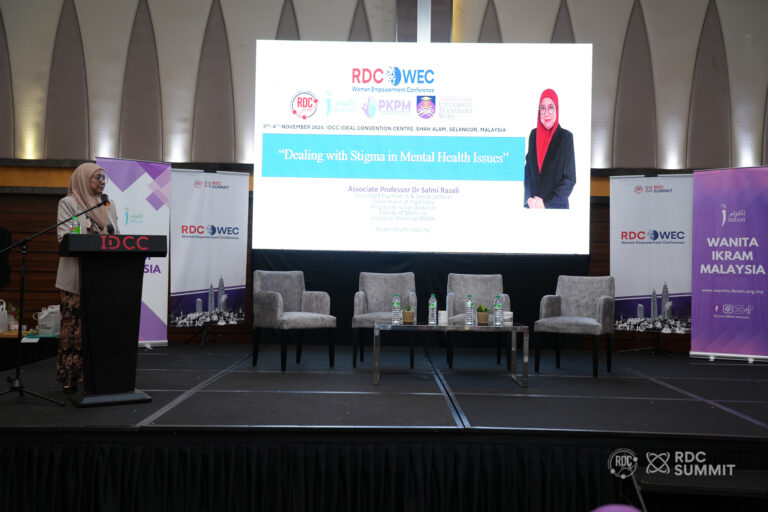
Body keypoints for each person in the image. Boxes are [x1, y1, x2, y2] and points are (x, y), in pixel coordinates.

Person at [55, 162, 119, 394]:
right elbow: (64, 238)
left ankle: (96, 373)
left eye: (104, 178)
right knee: (73, 328)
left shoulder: (108, 205)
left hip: (101, 277)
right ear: (83, 179)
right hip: (76, 277)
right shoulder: (69, 203)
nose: (102, 182)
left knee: (99, 328)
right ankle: (70, 376)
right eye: (97, 177)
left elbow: (116, 236)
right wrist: (90, 235)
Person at [523, 88, 576, 209]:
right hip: (533, 208)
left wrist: (546, 203)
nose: (546, 113)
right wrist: (528, 198)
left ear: (557, 109)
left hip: (555, 209)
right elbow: (528, 170)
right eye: (543, 108)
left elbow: (570, 179)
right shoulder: (533, 135)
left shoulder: (566, 137)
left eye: (551, 107)